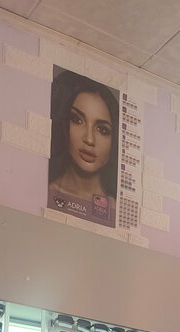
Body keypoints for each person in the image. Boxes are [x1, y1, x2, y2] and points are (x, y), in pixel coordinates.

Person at [48, 70, 119, 227]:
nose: (89, 139)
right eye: (77, 120)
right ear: (63, 124)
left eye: (102, 130)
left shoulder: (118, 210)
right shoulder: (44, 192)